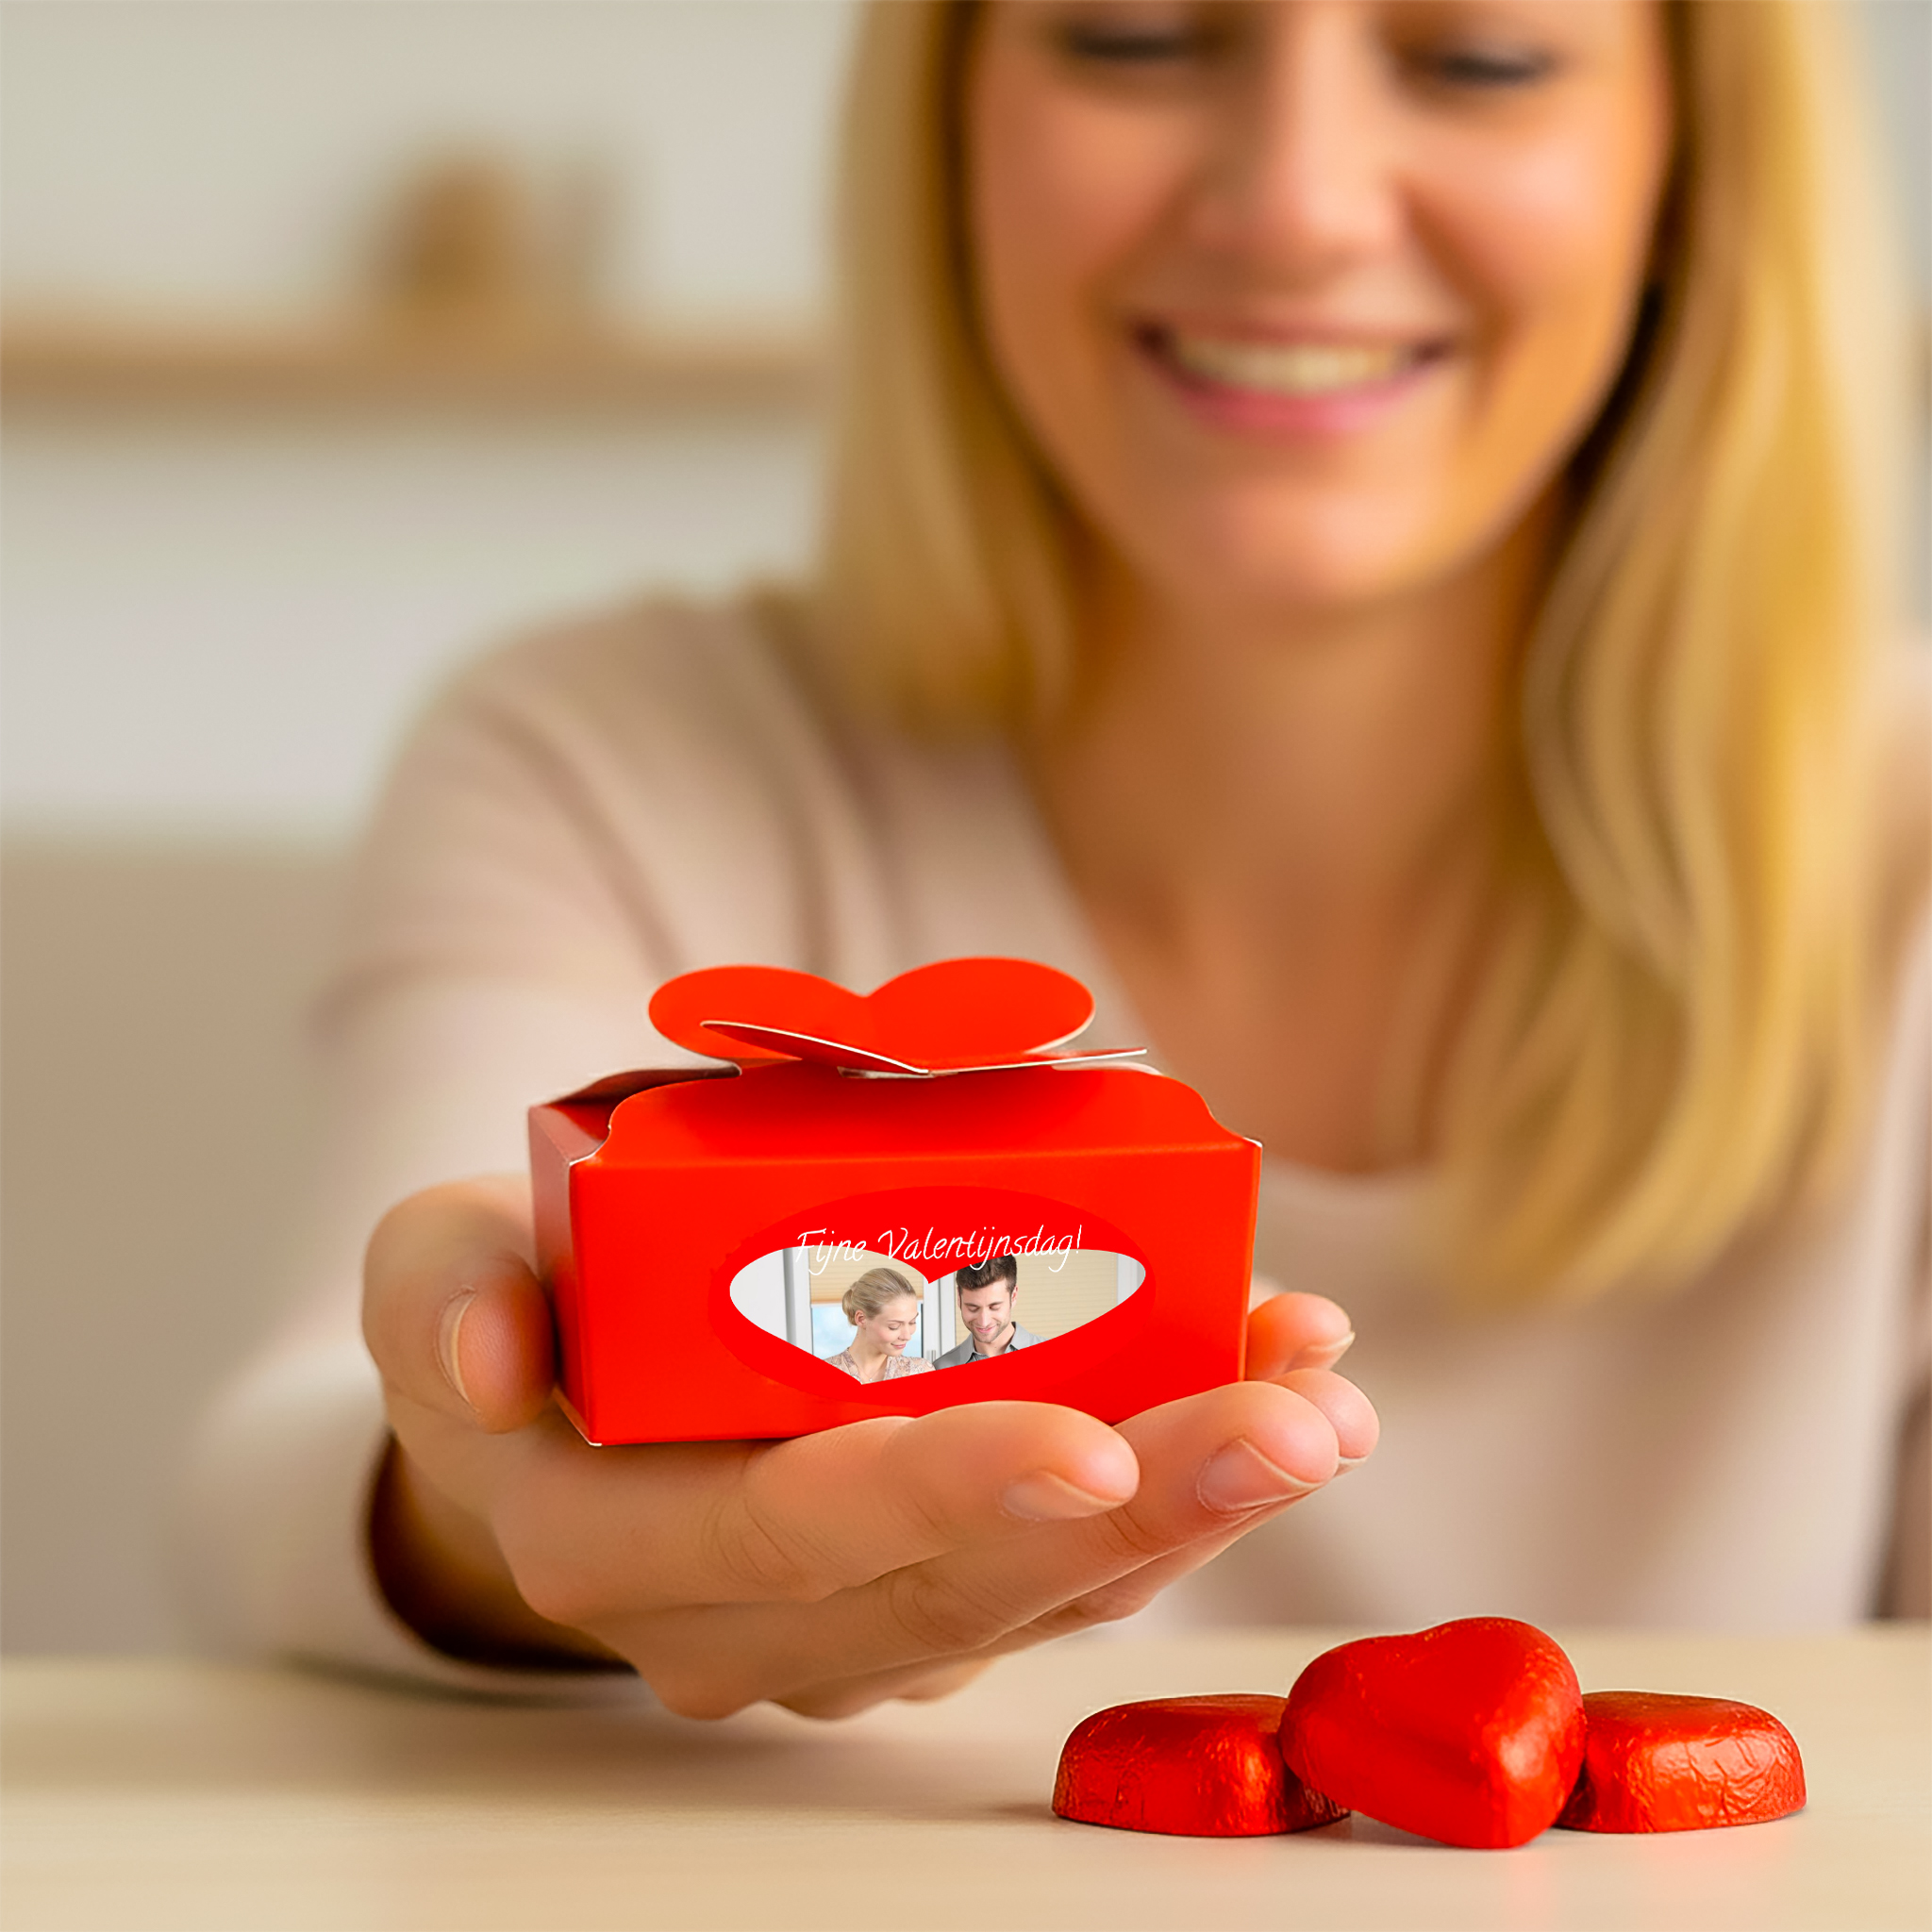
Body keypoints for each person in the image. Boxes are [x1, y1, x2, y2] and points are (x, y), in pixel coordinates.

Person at [182, 0, 1925, 1718]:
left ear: (1689, 166)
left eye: (1479, 60)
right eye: (1135, 40)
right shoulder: (610, 756)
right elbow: (283, 1478)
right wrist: (475, 1509)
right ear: (948, 130)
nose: (1296, 207)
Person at [824, 1269, 940, 1382]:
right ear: (861, 1319)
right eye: (894, 1326)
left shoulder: (921, 1371)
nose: (907, 1336)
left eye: (912, 1322)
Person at [932, 1256, 1042, 1367]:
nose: (984, 1322)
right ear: (959, 1298)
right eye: (973, 1308)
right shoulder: (940, 1367)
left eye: (994, 1307)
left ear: (1013, 1296)